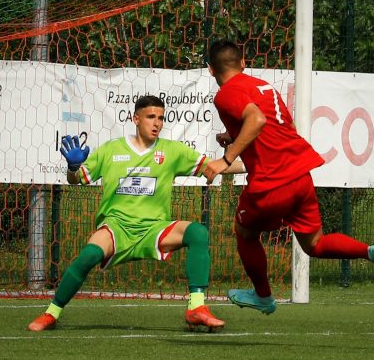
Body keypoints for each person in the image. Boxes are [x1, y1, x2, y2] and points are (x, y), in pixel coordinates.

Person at [203, 39, 374, 315]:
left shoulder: (226, 93)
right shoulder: (265, 88)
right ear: (243, 63)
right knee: (314, 243)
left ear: (210, 70)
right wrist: (234, 134)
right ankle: (372, 251)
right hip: (300, 176)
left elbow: (257, 121)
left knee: (245, 233)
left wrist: (226, 158)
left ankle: (263, 296)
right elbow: (280, 125)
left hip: (272, 183)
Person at [28, 95, 227, 332]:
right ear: (136, 119)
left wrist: (253, 161)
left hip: (153, 229)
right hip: (117, 227)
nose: (157, 123)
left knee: (197, 232)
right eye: (151, 117)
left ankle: (196, 307)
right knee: (88, 256)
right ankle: (51, 313)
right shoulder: (112, 150)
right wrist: (72, 167)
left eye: (161, 118)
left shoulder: (172, 151)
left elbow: (214, 166)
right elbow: (77, 179)